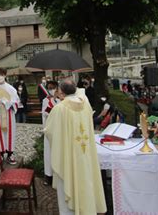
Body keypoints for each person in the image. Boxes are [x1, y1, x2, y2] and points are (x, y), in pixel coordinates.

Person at [45, 79, 107, 214]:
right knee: (86, 181)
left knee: (67, 184)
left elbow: (49, 132)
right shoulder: (86, 105)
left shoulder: (59, 109)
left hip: (68, 157)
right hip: (85, 154)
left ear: (61, 92)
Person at [42, 80, 59, 186]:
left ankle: (58, 175)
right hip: (50, 130)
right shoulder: (45, 100)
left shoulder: (62, 100)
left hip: (59, 131)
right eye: (49, 88)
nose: (51, 90)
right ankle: (48, 176)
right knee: (49, 154)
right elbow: (44, 113)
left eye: (53, 87)